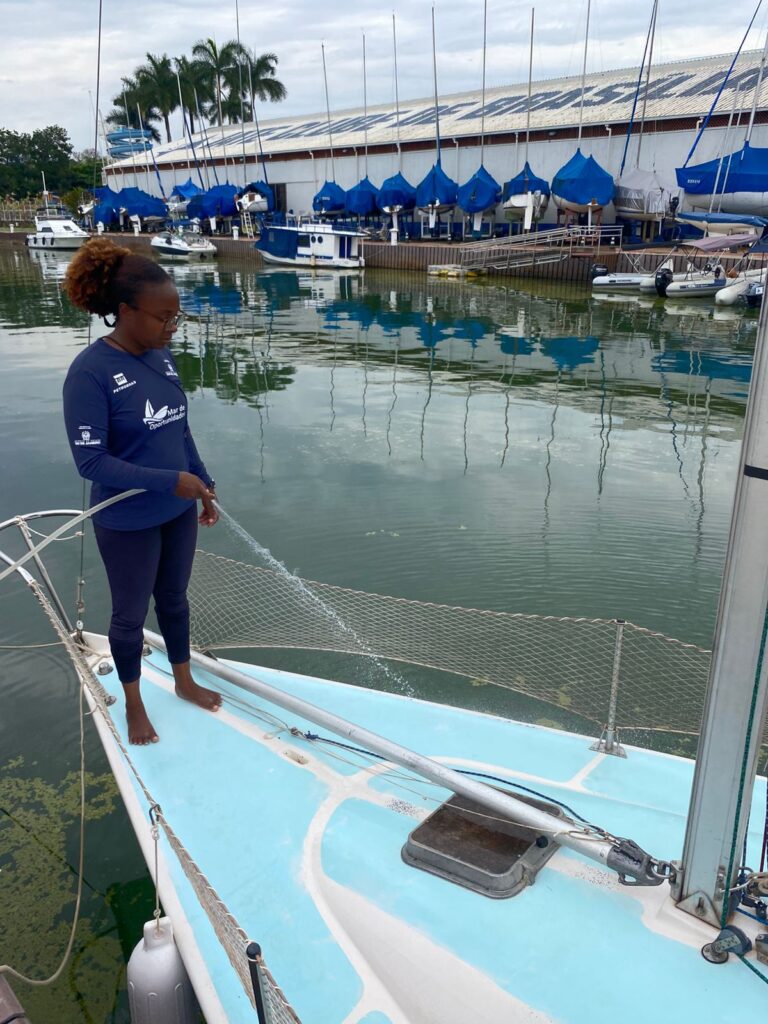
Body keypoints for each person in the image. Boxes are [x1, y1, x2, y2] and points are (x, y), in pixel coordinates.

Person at [62, 237, 222, 745]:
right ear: (126, 311)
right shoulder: (90, 373)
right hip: (127, 519)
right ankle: (133, 703)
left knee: (174, 599)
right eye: (163, 317)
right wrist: (170, 481)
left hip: (176, 508)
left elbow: (178, 428)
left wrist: (202, 482)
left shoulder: (161, 356)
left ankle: (183, 680)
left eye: (176, 317)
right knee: (130, 615)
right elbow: (91, 462)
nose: (172, 327)